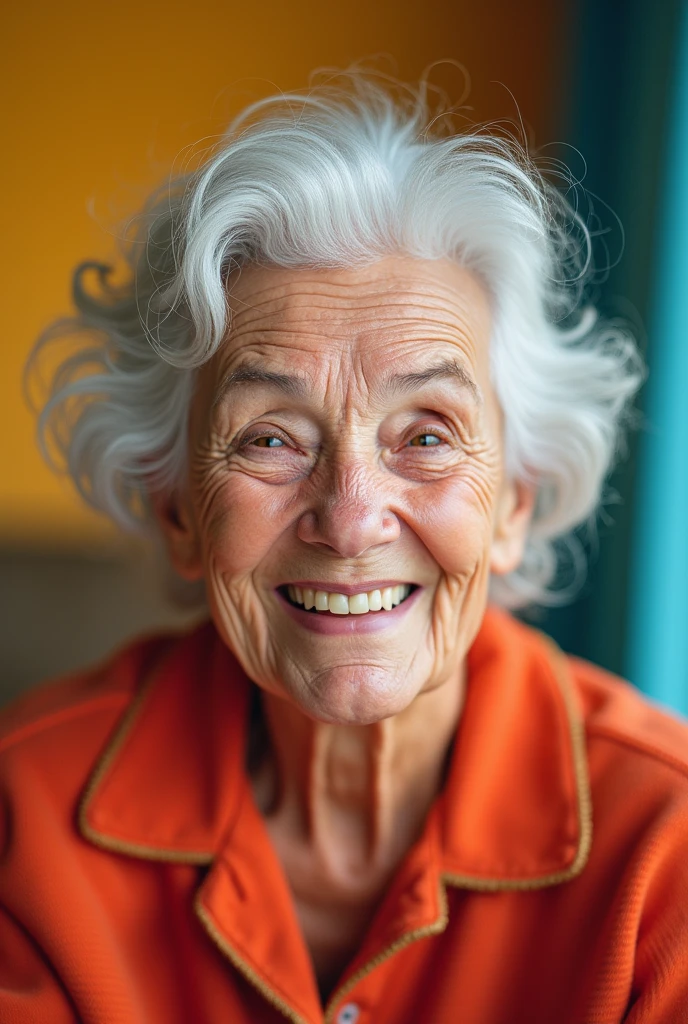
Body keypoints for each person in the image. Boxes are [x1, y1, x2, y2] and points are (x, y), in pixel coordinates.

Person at [3, 76, 687, 1024]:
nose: (352, 517)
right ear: (176, 508)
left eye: (428, 434)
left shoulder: (669, 855)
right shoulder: (22, 819)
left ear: (515, 502)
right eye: (271, 438)